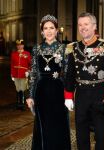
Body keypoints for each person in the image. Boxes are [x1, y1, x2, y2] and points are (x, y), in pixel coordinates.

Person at [64, 12, 104, 150]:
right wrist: (68, 96)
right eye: (80, 25)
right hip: (81, 95)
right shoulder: (73, 48)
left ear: (94, 26)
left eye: (86, 24)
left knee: (100, 134)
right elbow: (70, 75)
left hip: (100, 95)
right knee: (81, 133)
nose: (83, 27)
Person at [26, 14, 71, 150]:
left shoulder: (64, 49)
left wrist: (69, 95)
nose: (49, 31)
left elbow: (68, 74)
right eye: (46, 28)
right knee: (43, 125)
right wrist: (30, 95)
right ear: (42, 31)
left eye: (52, 28)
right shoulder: (36, 49)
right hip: (41, 92)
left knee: (59, 125)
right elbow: (33, 73)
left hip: (59, 91)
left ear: (57, 30)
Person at [11, 39, 31, 110]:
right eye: (18, 45)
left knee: (22, 89)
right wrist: (12, 74)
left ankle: (22, 104)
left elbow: (30, 64)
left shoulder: (27, 54)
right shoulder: (14, 54)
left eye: (21, 45)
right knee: (17, 89)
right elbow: (12, 65)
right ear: (17, 46)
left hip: (23, 74)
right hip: (16, 74)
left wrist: (28, 71)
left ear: (23, 45)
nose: (19, 46)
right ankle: (18, 103)